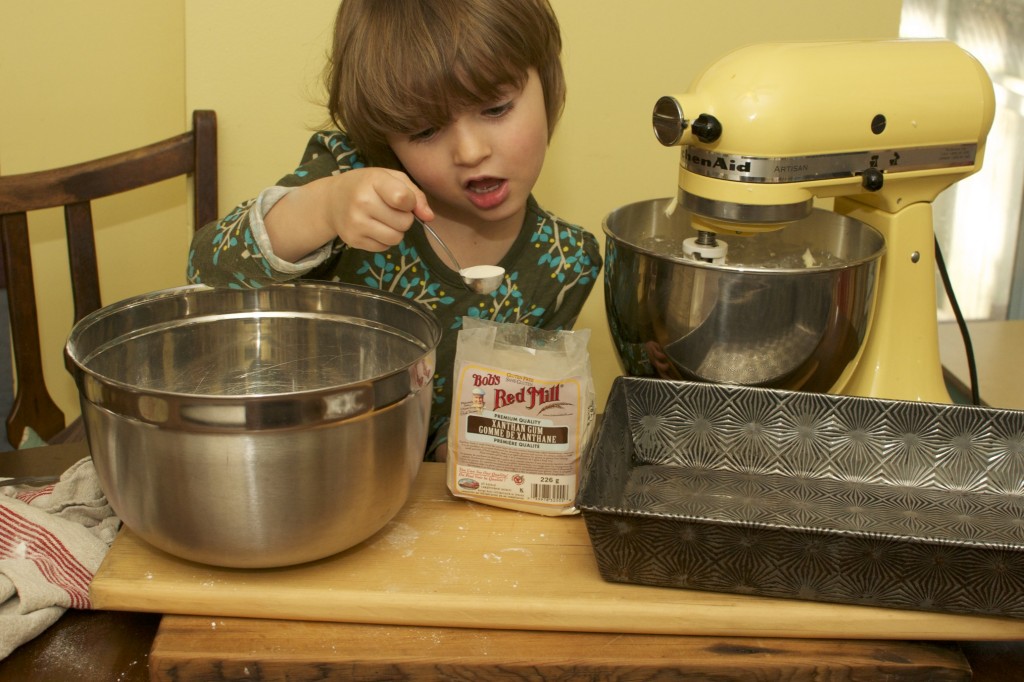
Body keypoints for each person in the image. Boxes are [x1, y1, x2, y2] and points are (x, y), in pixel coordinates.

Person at [187, 0, 602, 460]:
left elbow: (483, 416)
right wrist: (324, 207)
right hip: (292, 463)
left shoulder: (565, 262)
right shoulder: (350, 176)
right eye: (424, 132)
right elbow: (207, 267)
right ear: (385, 137)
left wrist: (469, 446)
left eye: (496, 108)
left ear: (549, 82)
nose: (469, 151)